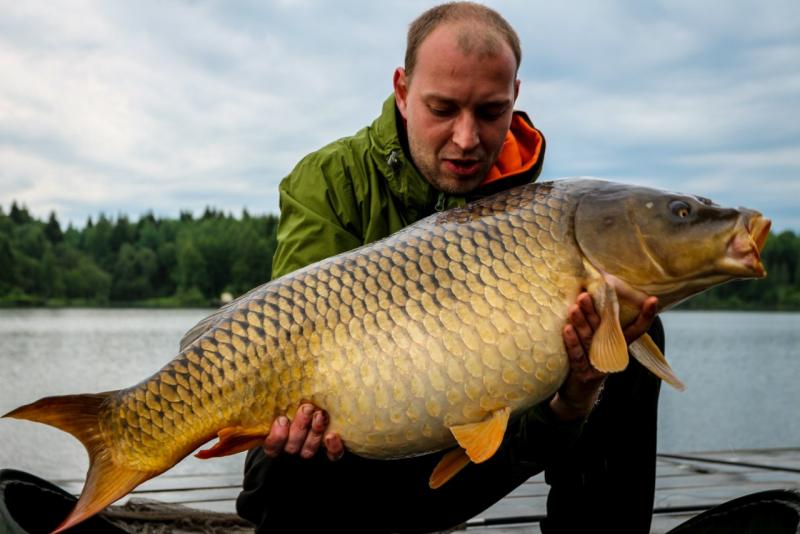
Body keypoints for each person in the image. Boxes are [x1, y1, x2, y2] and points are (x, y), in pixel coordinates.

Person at [237, 3, 662, 532]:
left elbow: (524, 426)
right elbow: (287, 334)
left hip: (456, 465)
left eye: (489, 113)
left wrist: (573, 403)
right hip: (337, 459)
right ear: (402, 89)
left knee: (630, 329)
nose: (466, 139)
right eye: (442, 109)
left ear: (514, 101)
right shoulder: (330, 181)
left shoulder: (535, 215)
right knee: (300, 442)